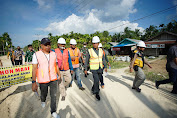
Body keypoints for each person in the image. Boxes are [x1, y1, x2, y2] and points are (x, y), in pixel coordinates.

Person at [32, 38, 61, 118]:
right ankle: (43, 100)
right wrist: (33, 82)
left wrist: (59, 74)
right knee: (44, 94)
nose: (48, 46)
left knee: (54, 95)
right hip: (43, 80)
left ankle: (53, 111)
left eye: (49, 45)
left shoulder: (53, 53)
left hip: (53, 78)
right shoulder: (36, 55)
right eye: (46, 45)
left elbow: (56, 65)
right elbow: (34, 69)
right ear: (41, 45)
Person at [84, 36, 107, 101]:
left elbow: (103, 59)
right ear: (92, 43)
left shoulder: (101, 50)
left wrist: (105, 67)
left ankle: (93, 88)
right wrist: (85, 69)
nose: (95, 44)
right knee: (96, 80)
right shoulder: (90, 51)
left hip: (100, 68)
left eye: (96, 43)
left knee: (97, 80)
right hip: (93, 69)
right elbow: (86, 61)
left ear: (98, 43)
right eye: (93, 43)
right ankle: (96, 93)